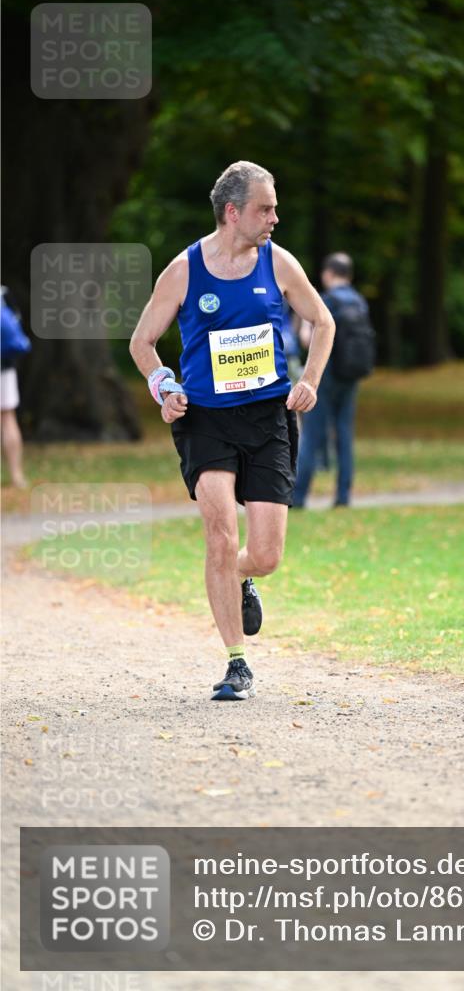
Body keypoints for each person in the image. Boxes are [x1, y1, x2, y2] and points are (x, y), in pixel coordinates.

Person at [129, 161, 335, 701]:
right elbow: (142, 342)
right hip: (205, 419)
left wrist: (310, 381)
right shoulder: (183, 271)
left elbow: (323, 321)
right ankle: (236, 663)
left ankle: (239, 575)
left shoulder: (279, 262)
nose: (275, 218)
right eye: (265, 209)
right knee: (219, 535)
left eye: (275, 208)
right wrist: (163, 387)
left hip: (268, 416)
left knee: (265, 555)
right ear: (233, 212)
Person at [293, 252, 374, 508]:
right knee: (344, 434)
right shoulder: (360, 302)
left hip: (325, 376)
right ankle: (343, 495)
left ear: (328, 274)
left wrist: (303, 324)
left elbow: (308, 340)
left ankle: (298, 496)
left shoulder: (326, 300)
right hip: (350, 376)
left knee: (312, 434)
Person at [1, 287, 31, 488]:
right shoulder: (3, 293)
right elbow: (16, 323)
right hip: (4, 366)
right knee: (7, 417)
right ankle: (16, 476)